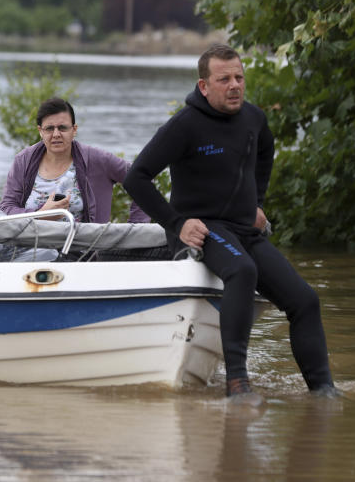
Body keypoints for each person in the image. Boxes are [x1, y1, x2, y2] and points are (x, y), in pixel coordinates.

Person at [123, 44, 337, 400]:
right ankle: (237, 384)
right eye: (224, 79)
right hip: (201, 228)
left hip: (241, 229)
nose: (235, 85)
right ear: (204, 86)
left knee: (305, 300)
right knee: (242, 271)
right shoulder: (184, 125)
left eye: (239, 77)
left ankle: (324, 391)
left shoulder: (253, 119)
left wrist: (257, 202)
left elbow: (267, 152)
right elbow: (136, 178)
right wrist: (177, 223)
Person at [0, 97, 149, 224]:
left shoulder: (97, 159)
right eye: (49, 129)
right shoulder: (23, 160)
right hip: (28, 246)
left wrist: (135, 227)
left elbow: (141, 178)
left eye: (62, 128)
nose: (56, 134)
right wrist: (41, 214)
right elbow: (6, 208)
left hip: (80, 252)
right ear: (40, 131)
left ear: (74, 130)